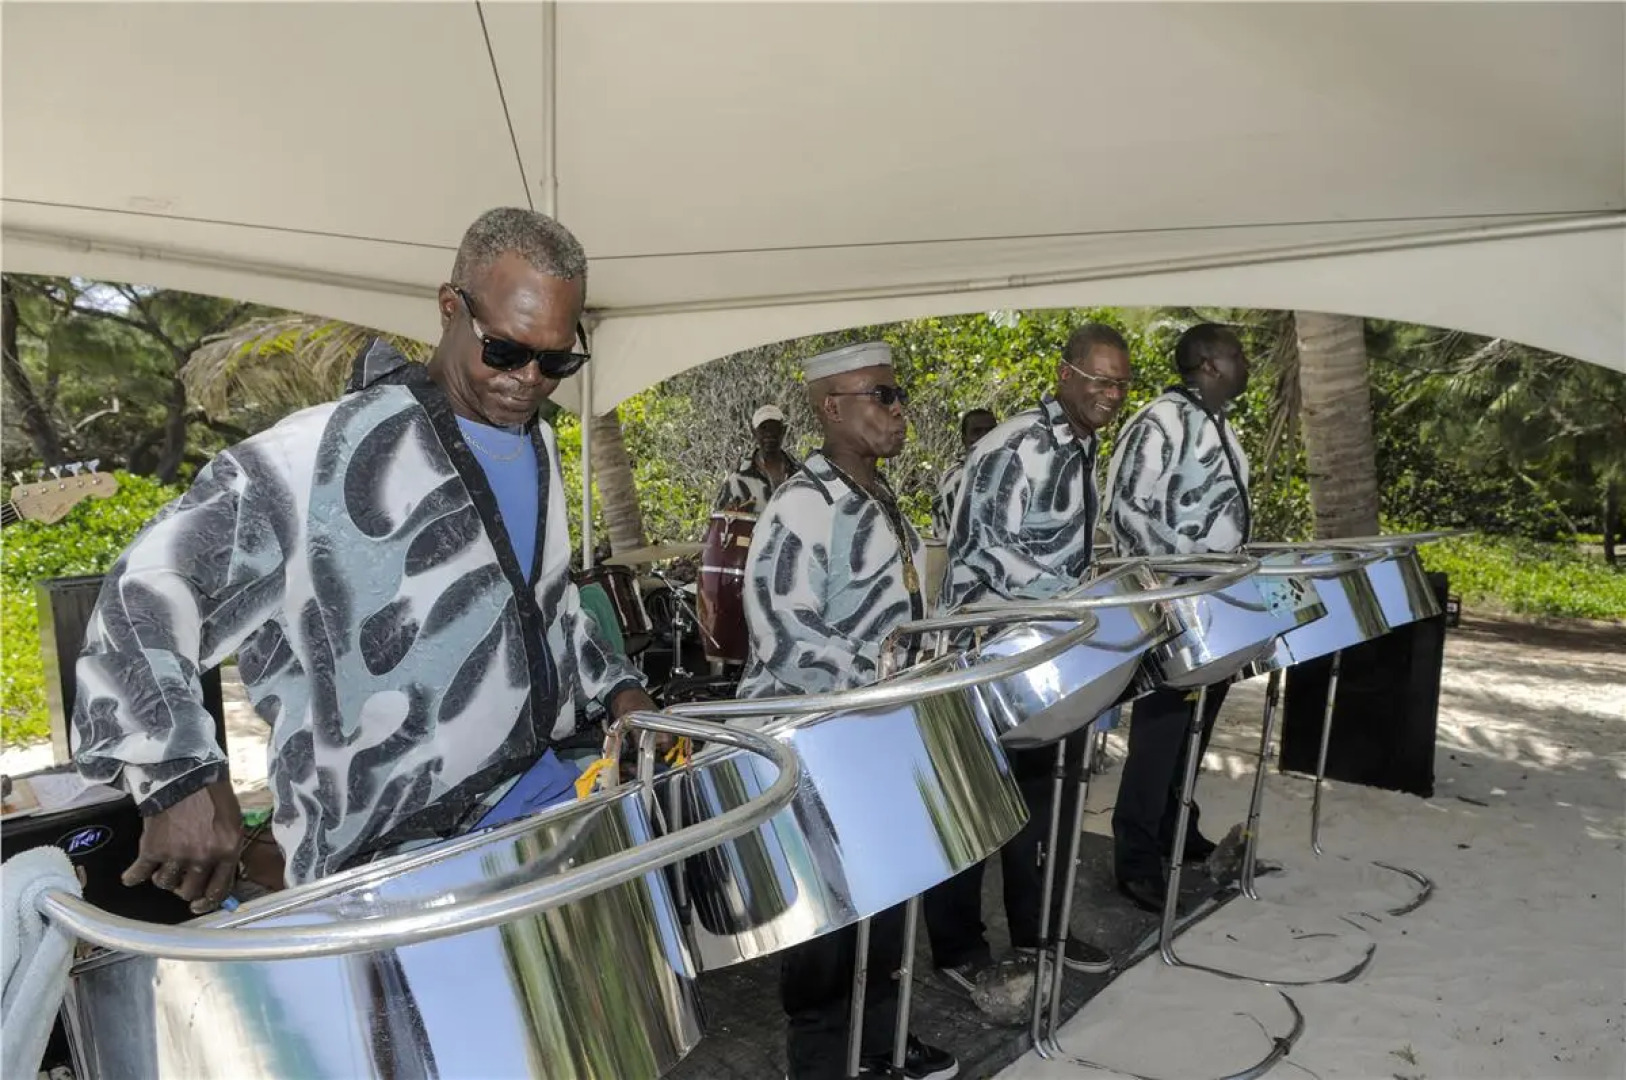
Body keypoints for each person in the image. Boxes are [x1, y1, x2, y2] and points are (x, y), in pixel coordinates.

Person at [71, 207, 656, 905]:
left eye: (556, 361)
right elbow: (142, 595)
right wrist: (175, 774)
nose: (529, 378)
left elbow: (542, 609)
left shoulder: (536, 446)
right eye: (505, 350)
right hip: (391, 865)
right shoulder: (313, 457)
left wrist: (615, 688)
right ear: (450, 307)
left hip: (544, 810)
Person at [738, 341, 957, 1080]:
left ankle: (882, 1045)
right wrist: (881, 678)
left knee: (889, 892)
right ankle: (824, 1064)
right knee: (829, 926)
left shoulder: (878, 498)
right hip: (817, 742)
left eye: (898, 395)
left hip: (878, 731)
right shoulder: (805, 502)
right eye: (882, 396)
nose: (899, 410)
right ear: (832, 408)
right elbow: (781, 631)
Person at [928, 324, 1134, 989]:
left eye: (1122, 384)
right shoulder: (1014, 446)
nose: (1112, 394)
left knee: (1039, 802)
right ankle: (959, 952)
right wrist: (1066, 603)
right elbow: (981, 552)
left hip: (1044, 652)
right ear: (1065, 374)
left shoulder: (1081, 447)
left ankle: (1038, 931)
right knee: (975, 805)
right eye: (1100, 379)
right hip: (983, 654)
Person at [1103, 322, 1251, 913]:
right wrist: (1181, 576)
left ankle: (1175, 829)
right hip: (1173, 604)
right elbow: (1126, 512)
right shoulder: (1159, 423)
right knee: (1161, 732)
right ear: (1209, 364)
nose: (1246, 363)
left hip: (1214, 603)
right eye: (1237, 355)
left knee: (1196, 727)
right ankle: (1136, 857)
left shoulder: (1217, 423)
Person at [714, 404, 799, 514]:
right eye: (763, 429)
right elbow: (720, 521)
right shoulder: (737, 481)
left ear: (783, 431)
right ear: (754, 432)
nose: (769, 434)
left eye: (774, 428)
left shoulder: (800, 474)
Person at [930, 408, 997, 538]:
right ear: (964, 439)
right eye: (976, 431)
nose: (985, 436)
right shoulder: (960, 479)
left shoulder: (997, 472)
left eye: (991, 430)